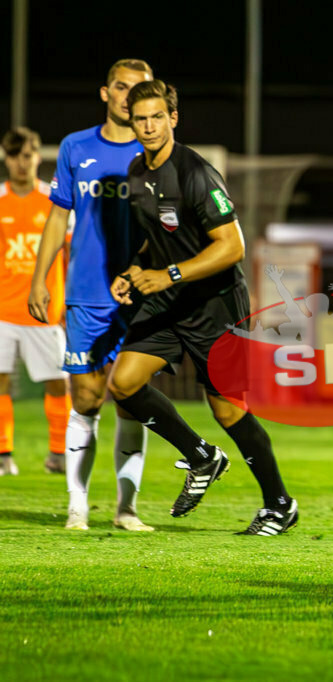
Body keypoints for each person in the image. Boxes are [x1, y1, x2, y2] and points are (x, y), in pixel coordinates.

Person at [107, 80, 297, 535]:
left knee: (227, 410)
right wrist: (134, 269)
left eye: (157, 117)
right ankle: (201, 456)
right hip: (170, 302)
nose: (149, 126)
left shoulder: (196, 173)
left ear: (173, 118)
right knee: (124, 382)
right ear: (130, 122)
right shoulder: (136, 171)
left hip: (216, 307)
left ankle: (279, 505)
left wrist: (168, 274)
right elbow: (157, 238)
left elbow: (232, 247)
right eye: (140, 119)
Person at [28, 59, 155, 531]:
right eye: (121, 87)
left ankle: (126, 508)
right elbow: (58, 216)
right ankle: (77, 506)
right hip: (85, 294)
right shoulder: (75, 146)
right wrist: (40, 278)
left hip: (140, 295)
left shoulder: (154, 152)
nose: (128, 96)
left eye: (139, 89)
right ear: (105, 92)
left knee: (131, 398)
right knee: (85, 397)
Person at [0, 127, 70, 477]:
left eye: (26, 155)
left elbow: (70, 253)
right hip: (2, 311)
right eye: (14, 155)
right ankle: (3, 455)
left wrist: (70, 301)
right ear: (6, 159)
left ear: (38, 157)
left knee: (58, 383)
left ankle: (58, 453)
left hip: (44, 311)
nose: (21, 162)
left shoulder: (55, 200)